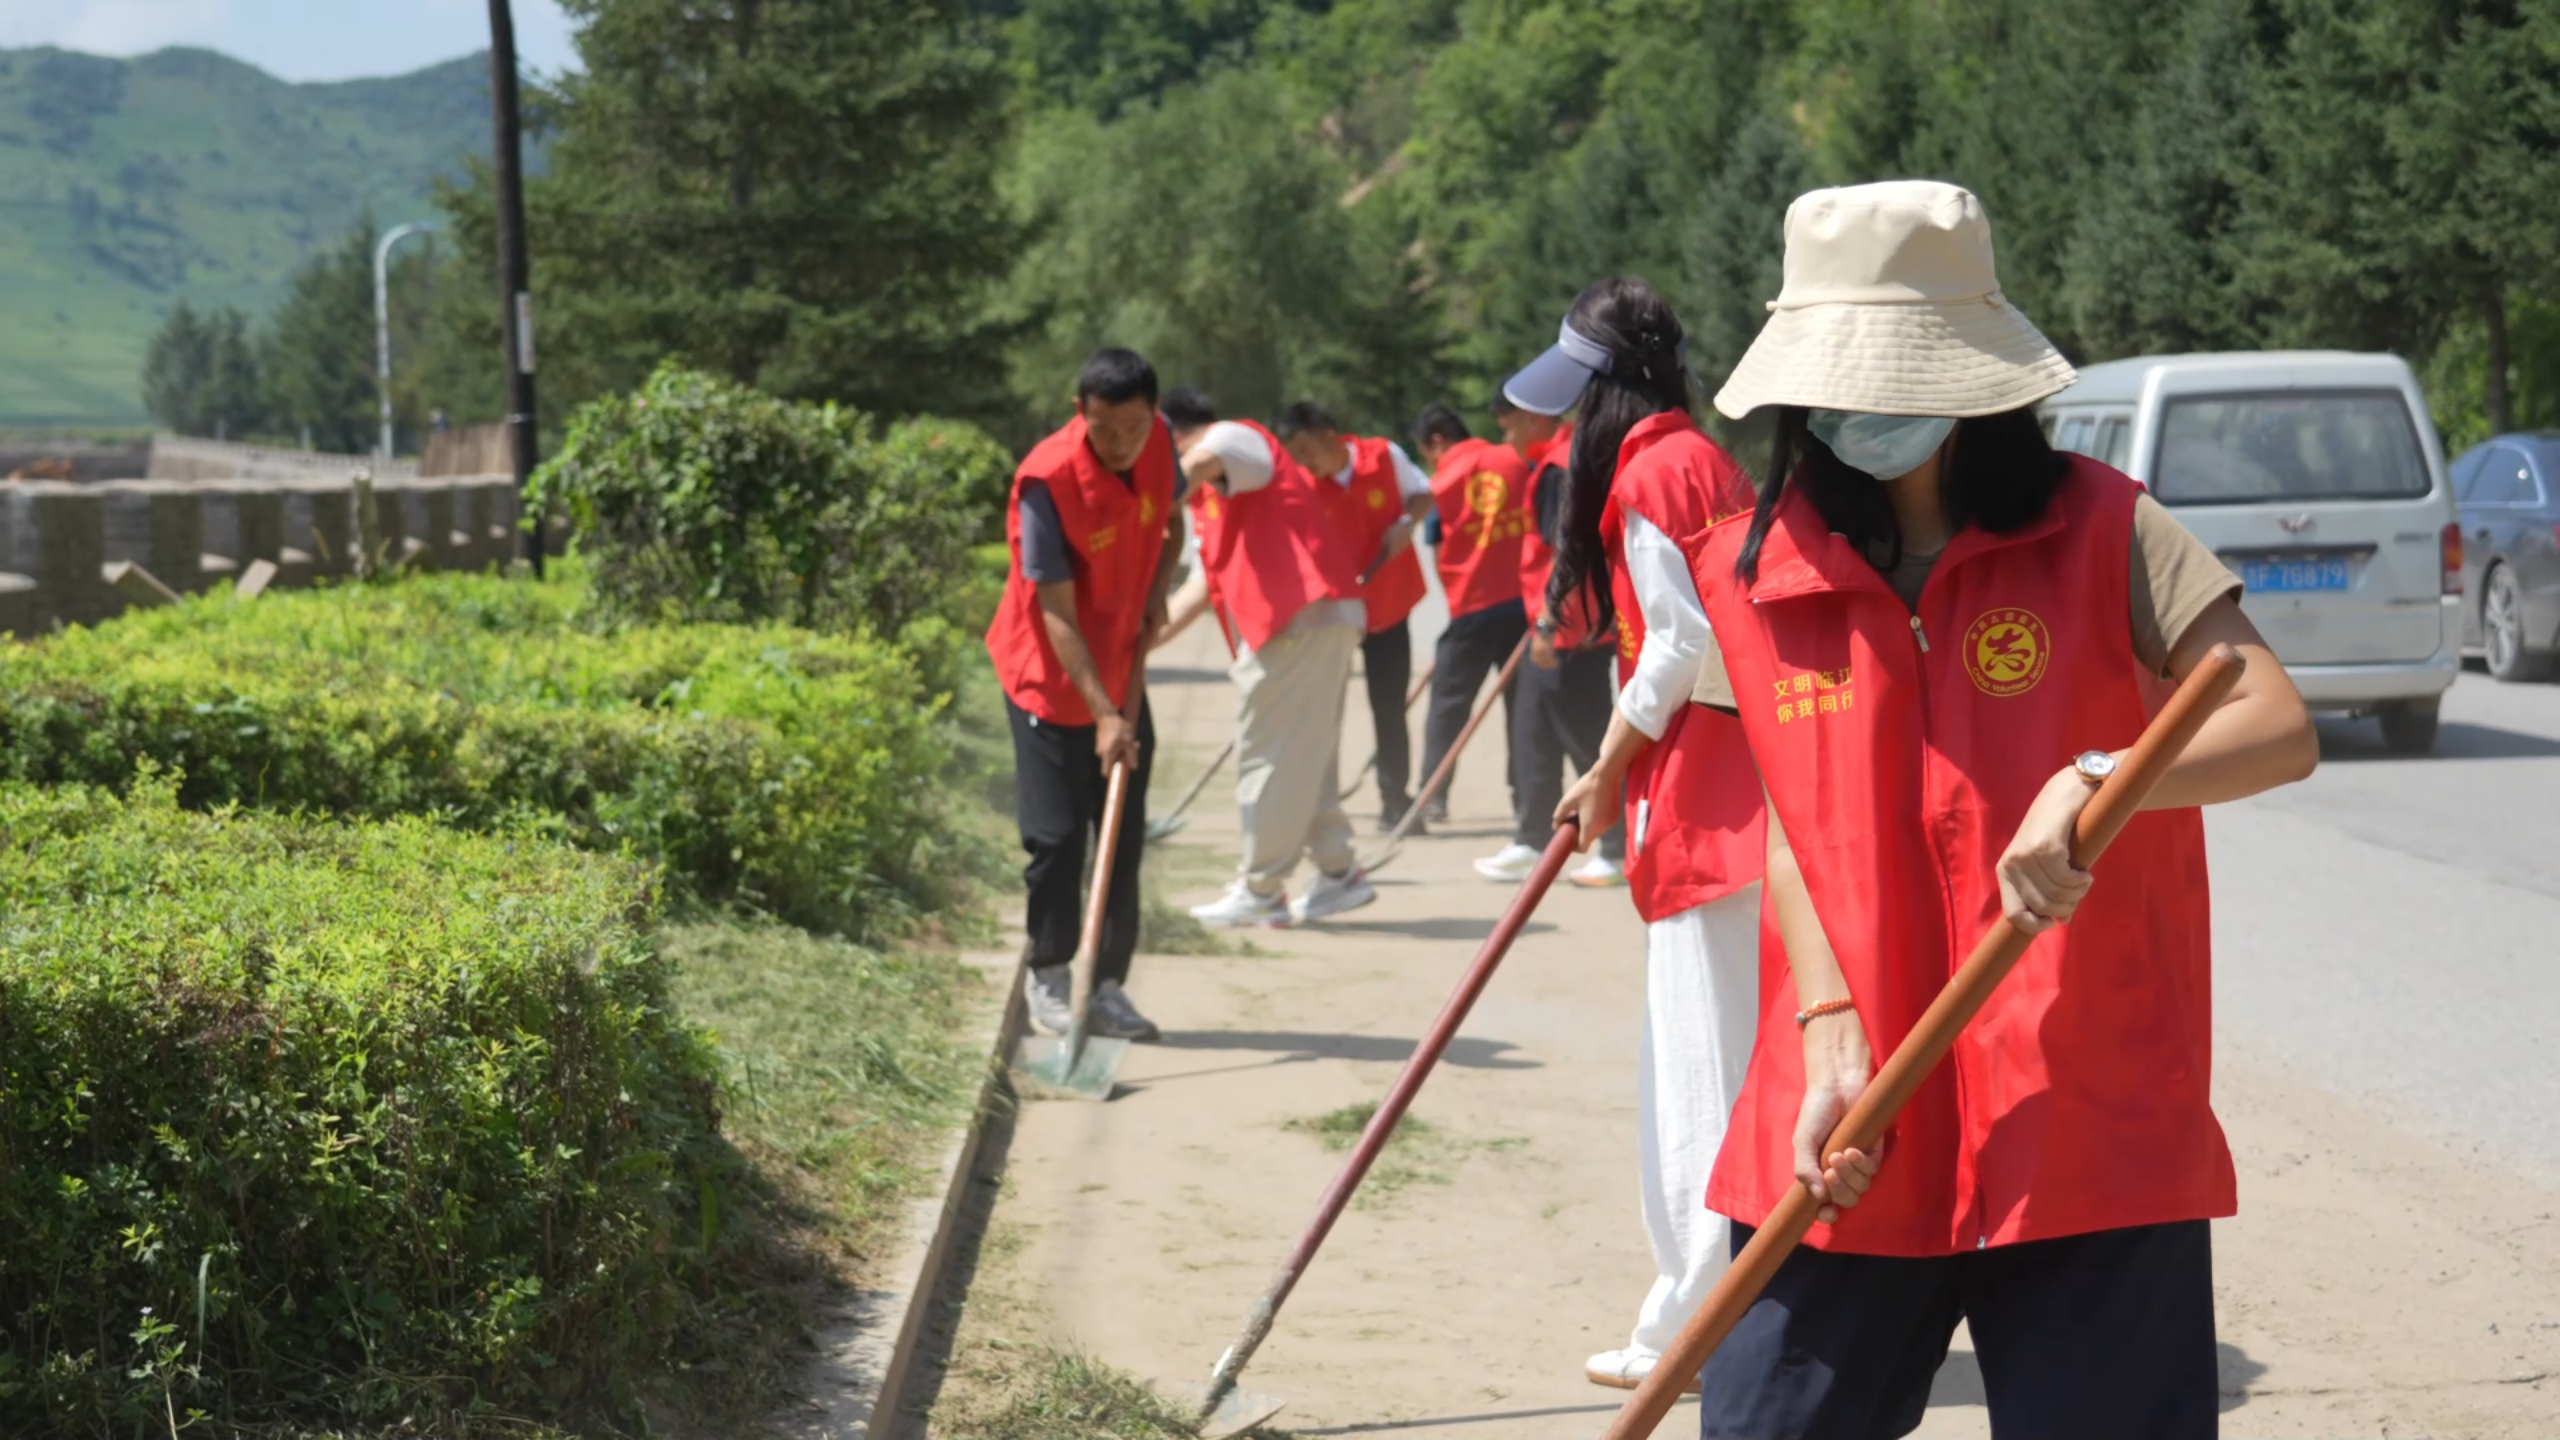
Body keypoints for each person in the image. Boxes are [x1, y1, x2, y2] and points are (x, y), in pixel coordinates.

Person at [1685, 180, 2318, 1438]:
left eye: (1892, 373)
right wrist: (1825, 1035)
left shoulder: (2109, 529)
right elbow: (1789, 828)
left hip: (2084, 1118)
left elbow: (2273, 725)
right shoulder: (1752, 572)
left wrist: (2098, 780)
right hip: (1848, 1116)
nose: (1860, 408)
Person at [1512, 278, 1769, 1393]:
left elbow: (1681, 642)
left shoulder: (1652, 473)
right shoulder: (1695, 457)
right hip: (1726, 791)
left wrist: (1606, 768)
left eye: (1577, 402)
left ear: (1612, 390)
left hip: (1712, 798)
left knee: (1700, 1075)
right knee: (1711, 1062)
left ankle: (1695, 1326)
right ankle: (1702, 1310)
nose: (1568, 425)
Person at [984, 347, 1186, 1043]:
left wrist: (1159, 588)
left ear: (1153, 416)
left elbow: (1175, 524)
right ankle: (1048, 972)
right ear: (1082, 414)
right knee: (1058, 838)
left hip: (1120, 671)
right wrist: (1103, 714)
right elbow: (1057, 615)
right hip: (1049, 678)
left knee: (1123, 837)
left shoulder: (1158, 442)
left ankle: (1104, 988)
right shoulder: (1047, 480)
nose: (1122, 443)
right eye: (1105, 430)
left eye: (1134, 427)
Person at [1161, 387, 1381, 928]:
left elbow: (1202, 460)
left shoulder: (1230, 438)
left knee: (1270, 757)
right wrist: (1134, 647)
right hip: (1309, 622)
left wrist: (1147, 492)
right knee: (1305, 758)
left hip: (1301, 620)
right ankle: (1337, 873)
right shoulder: (1211, 501)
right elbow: (1196, 590)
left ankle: (1261, 889)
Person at [1479, 384, 1627, 887]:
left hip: (1569, 629)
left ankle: (1617, 845)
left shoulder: (1561, 467)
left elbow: (1568, 556)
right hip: (1555, 623)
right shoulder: (1560, 461)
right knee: (1533, 733)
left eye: (1511, 427)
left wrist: (1548, 623)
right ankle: (1531, 838)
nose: (1510, 439)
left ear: (1534, 420)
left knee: (1586, 737)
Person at [1275, 402, 1436, 830]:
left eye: (1307, 451)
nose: (1305, 463)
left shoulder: (1383, 456)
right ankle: (1319, 801)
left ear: (1330, 435)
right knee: (1324, 708)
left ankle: (1394, 800)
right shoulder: (1302, 485)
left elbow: (1422, 493)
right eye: (1297, 456)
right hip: (1335, 614)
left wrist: (1406, 522)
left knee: (1388, 707)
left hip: (1388, 605)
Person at [1409, 404, 1533, 830]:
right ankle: (1527, 801)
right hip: (1524, 607)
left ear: (1436, 441)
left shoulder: (1443, 480)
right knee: (1524, 709)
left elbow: (1438, 545)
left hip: (1474, 609)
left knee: (1448, 705)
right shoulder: (1516, 459)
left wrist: (1458, 602)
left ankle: (1432, 796)